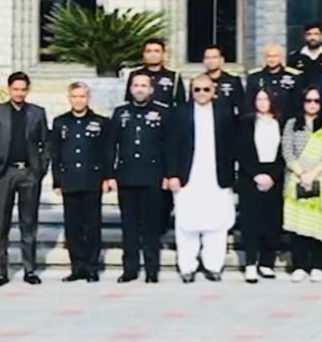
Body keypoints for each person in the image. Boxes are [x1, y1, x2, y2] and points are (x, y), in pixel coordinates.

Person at [167, 75, 238, 283]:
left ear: (214, 91)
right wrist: (172, 174)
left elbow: (233, 144)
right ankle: (187, 266)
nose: (201, 94)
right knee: (186, 223)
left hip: (216, 175)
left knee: (217, 223)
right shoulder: (180, 112)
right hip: (188, 176)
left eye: (206, 89)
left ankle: (213, 266)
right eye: (197, 90)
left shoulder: (225, 112)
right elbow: (170, 145)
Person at [48, 82, 112, 283]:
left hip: (92, 179)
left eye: (82, 96)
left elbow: (107, 152)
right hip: (70, 180)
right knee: (72, 227)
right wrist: (57, 181)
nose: (78, 100)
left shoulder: (100, 122)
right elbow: (55, 154)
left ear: (88, 98)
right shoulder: (60, 122)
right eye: (74, 96)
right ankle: (77, 267)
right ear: (69, 98)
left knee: (92, 225)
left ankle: (92, 267)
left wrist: (107, 177)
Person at [110, 73, 170, 283]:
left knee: (151, 226)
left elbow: (168, 146)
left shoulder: (162, 112)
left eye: (144, 85)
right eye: (136, 85)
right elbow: (111, 145)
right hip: (126, 176)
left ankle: (152, 269)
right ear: (130, 88)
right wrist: (109, 174)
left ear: (151, 89)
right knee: (129, 226)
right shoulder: (120, 113)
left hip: (153, 176)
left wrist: (169, 174)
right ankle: (130, 269)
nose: (139, 89)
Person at [281, 86, 322, 282]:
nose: (312, 104)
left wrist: (313, 174)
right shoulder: (292, 124)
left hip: (321, 180)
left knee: (319, 224)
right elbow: (287, 152)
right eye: (308, 100)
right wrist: (301, 173)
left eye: (316, 101)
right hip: (296, 180)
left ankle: (318, 265)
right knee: (298, 224)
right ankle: (299, 265)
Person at [237, 89, 284, 283]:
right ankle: (250, 263)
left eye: (266, 99)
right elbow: (241, 151)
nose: (262, 102)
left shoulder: (281, 123)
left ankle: (267, 262)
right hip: (251, 176)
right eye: (259, 99)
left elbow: (284, 152)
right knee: (251, 221)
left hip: (274, 176)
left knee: (271, 221)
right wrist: (256, 174)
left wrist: (272, 176)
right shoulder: (245, 122)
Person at [123, 37, 186, 107]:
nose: (152, 54)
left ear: (163, 54)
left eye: (157, 51)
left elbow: (181, 103)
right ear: (143, 54)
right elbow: (128, 101)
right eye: (148, 51)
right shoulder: (134, 74)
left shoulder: (174, 76)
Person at [246, 43, 303, 118]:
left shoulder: (293, 76)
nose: (272, 59)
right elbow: (249, 103)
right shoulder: (254, 77)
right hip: (262, 120)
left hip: (287, 120)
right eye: (269, 56)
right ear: (265, 58)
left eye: (275, 56)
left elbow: (298, 102)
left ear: (280, 57)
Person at [201, 45, 245, 119]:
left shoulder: (233, 81)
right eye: (207, 58)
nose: (210, 61)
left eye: (214, 57)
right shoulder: (197, 82)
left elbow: (242, 108)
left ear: (222, 60)